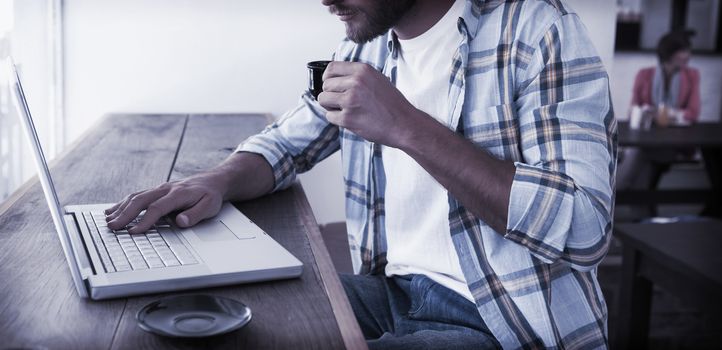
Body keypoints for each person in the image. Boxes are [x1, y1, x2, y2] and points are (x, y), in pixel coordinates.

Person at [105, 0, 617, 348]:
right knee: (225, 319)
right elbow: (288, 142)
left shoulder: (539, 29)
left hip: (504, 320)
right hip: (393, 293)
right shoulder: (367, 44)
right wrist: (216, 179)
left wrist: (407, 125)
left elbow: (584, 228)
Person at [617, 32, 700, 199]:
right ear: (669, 53)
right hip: (646, 140)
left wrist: (664, 114)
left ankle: (610, 195)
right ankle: (641, 214)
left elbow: (693, 113)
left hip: (673, 143)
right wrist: (651, 114)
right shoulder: (645, 74)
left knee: (637, 154)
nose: (688, 56)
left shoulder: (692, 75)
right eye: (684, 51)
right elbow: (633, 111)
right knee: (641, 179)